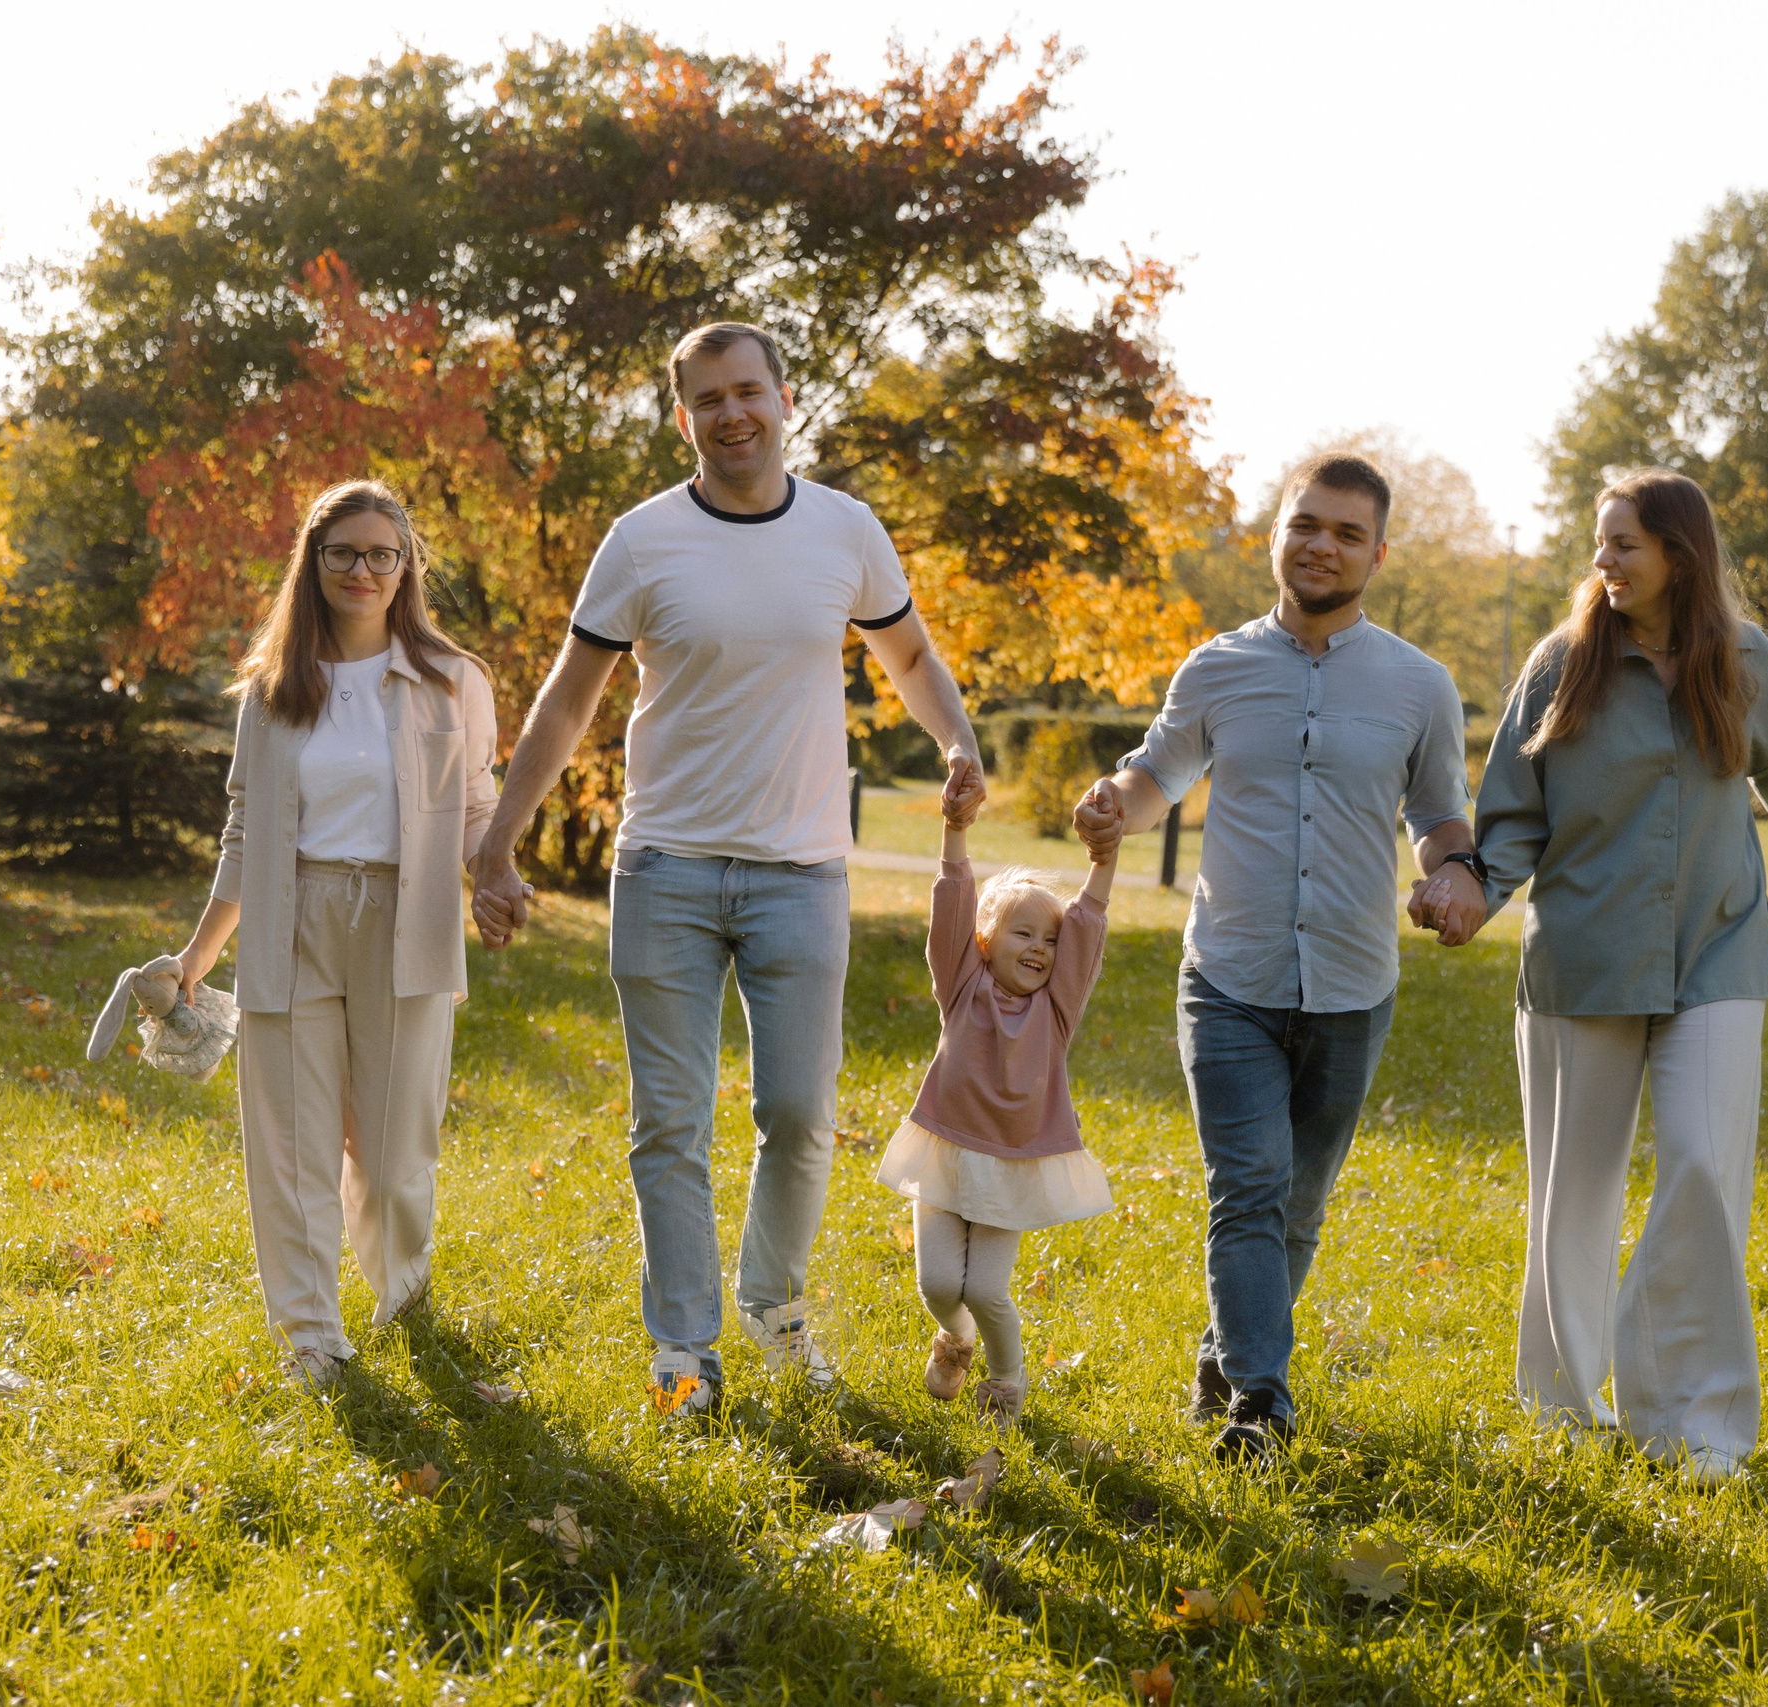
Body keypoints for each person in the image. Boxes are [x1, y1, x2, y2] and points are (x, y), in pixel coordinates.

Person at [470, 321, 983, 1418]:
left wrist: (958, 742)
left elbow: (909, 655)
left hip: (802, 874)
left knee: (800, 1116)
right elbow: (570, 699)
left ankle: (772, 1304)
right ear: (683, 417)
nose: (731, 413)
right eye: (707, 399)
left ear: (785, 400)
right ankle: (683, 1349)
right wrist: (499, 836)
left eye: (747, 391)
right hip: (665, 869)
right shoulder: (642, 540)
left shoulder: (844, 530)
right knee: (671, 1122)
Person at [1408, 466, 1768, 1486]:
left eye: (1624, 544)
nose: (1604, 562)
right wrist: (1468, 893)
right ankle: (1562, 1405)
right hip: (1583, 955)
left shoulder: (1743, 660)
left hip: (1717, 949)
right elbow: (1511, 817)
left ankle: (1695, 1423)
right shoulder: (1561, 666)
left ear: (1680, 554)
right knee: (1573, 1193)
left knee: (1701, 1169)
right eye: (1600, 544)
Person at [1075, 453, 1478, 1463]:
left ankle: (1223, 1354)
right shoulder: (1215, 668)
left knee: (1295, 1205)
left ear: (1376, 554)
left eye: (1346, 532)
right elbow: (1155, 773)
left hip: (1351, 980)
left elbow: (1435, 814)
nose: (1322, 545)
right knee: (1247, 1181)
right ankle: (1263, 1401)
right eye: (1307, 524)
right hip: (1229, 976)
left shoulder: (1419, 685)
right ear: (1275, 534)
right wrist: (1110, 804)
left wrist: (1455, 874)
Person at [168, 479, 499, 1395]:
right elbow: (243, 829)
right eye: (343, 552)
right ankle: (312, 1335)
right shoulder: (272, 689)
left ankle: (402, 1294)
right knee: (292, 1147)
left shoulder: (452, 680)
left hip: (409, 923)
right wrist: (200, 953)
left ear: (406, 567)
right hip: (291, 919)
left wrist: (496, 870)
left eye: (381, 554)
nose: (363, 569)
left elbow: (476, 805)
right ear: (313, 563)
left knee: (396, 1156)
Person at [878, 781, 1123, 1426]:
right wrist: (955, 830)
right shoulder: (962, 986)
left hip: (1014, 1161)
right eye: (1024, 934)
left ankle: (1006, 1380)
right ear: (985, 943)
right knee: (939, 1286)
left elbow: (1088, 928)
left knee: (986, 1288)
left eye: (1049, 940)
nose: (1041, 949)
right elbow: (952, 909)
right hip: (947, 1151)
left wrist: (1104, 859)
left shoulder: (1056, 1009)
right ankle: (955, 1340)